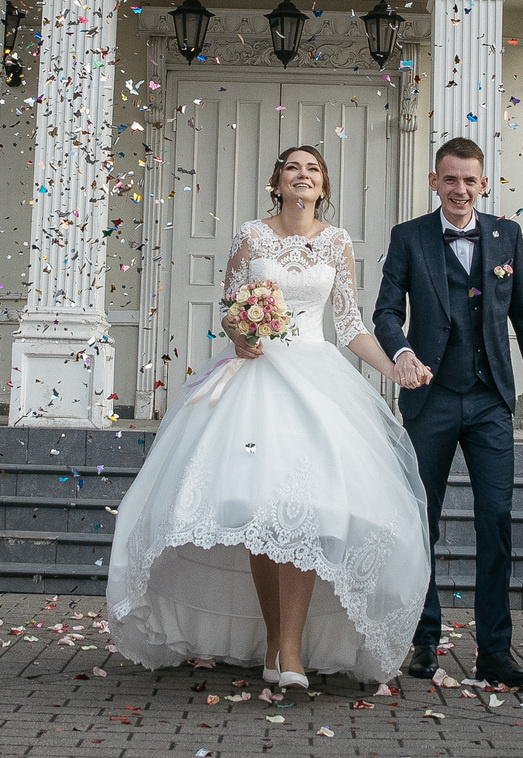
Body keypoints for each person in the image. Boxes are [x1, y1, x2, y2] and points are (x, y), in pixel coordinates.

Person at [108, 145, 431, 686]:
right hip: (256, 382)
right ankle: (276, 650)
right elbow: (231, 307)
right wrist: (242, 334)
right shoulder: (250, 235)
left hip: (317, 381)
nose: (302, 176)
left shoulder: (336, 242)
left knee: (305, 508)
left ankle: (291, 652)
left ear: (323, 188)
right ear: (276, 183)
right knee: (261, 510)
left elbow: (349, 323)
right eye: (291, 168)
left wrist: (392, 368)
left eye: (313, 170)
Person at [374, 137, 523, 690]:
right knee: (420, 522)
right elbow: (385, 311)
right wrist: (401, 352)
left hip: (489, 401)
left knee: (495, 522)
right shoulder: (409, 238)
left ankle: (494, 652)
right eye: (449, 179)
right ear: (435, 182)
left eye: (469, 180)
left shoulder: (507, 235)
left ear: (483, 183)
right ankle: (424, 639)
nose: (459, 189)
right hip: (429, 400)